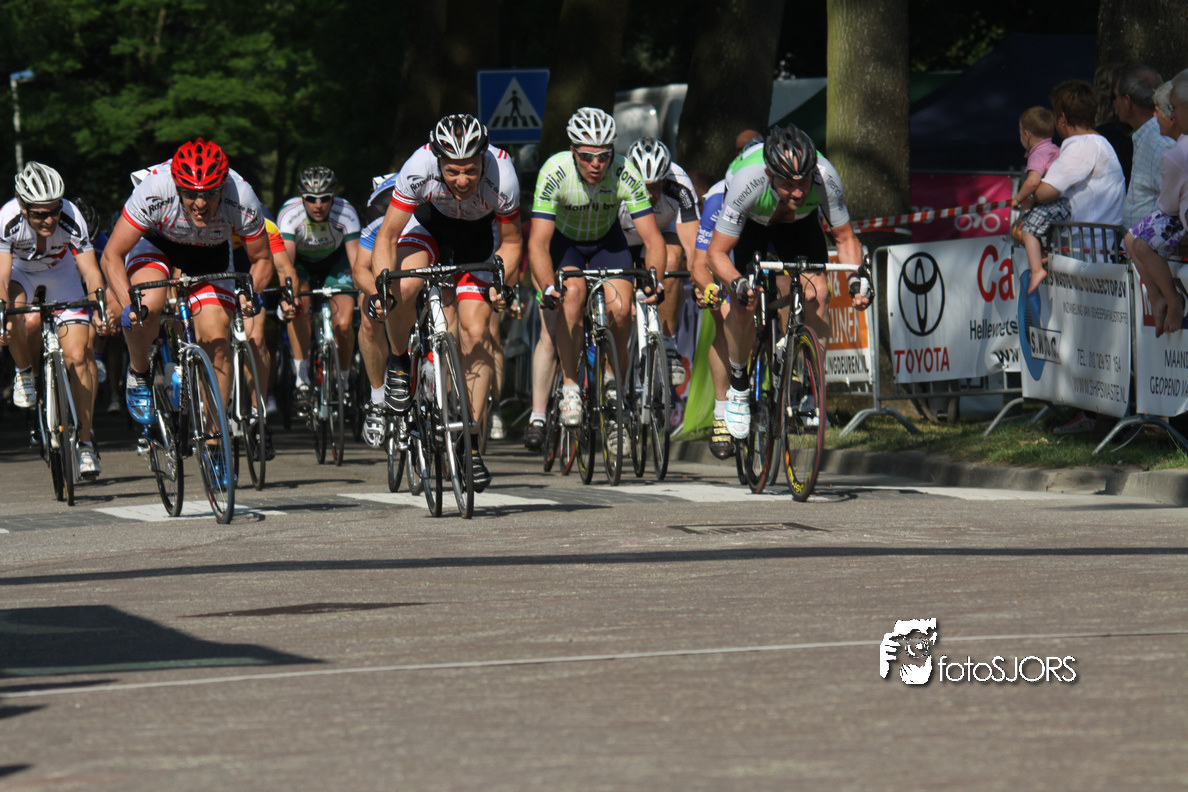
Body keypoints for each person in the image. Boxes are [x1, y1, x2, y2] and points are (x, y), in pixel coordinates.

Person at [100, 138, 275, 482]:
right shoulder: (155, 189)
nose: (200, 203)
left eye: (209, 194)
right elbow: (112, 255)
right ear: (176, 186)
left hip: (208, 254)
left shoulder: (241, 195)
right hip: (156, 245)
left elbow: (262, 258)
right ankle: (139, 373)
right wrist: (127, 303)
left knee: (217, 341)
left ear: (222, 187)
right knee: (148, 307)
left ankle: (214, 442)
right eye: (191, 194)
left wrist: (249, 291)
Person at [370, 114, 521, 491]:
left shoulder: (503, 174)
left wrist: (501, 284)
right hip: (429, 229)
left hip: (478, 241)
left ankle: (470, 443)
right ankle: (399, 363)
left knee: (475, 332)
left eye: (470, 170)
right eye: (452, 171)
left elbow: (512, 242)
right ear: (437, 161)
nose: (462, 180)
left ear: (483, 159)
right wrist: (383, 288)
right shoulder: (418, 166)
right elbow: (387, 236)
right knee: (404, 288)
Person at [704, 124, 870, 440]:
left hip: (798, 225)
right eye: (787, 184)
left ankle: (811, 386)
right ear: (769, 175)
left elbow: (845, 238)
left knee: (819, 294)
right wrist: (738, 284)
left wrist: (856, 280)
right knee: (742, 303)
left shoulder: (825, 176)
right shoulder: (747, 181)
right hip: (752, 224)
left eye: (803, 182)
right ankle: (738, 386)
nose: (797, 192)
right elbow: (716, 253)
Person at [528, 107, 667, 433]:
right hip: (566, 243)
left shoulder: (625, 172)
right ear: (573, 151)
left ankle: (611, 381)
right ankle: (571, 388)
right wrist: (548, 286)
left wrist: (654, 280)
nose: (596, 164)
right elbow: (538, 242)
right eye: (587, 156)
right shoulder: (554, 171)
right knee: (572, 294)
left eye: (604, 156)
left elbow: (653, 239)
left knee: (622, 310)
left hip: (607, 241)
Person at [0, 162, 109, 477]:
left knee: (79, 356)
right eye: (39, 214)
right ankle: (24, 372)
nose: (49, 219)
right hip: (21, 274)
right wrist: (2, 316)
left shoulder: (72, 217)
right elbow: (3, 276)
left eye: (54, 211)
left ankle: (85, 443)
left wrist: (99, 307)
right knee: (20, 317)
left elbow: (90, 271)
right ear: (23, 208)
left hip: (61, 276)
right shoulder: (7, 219)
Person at [1032, 82, 1126, 436]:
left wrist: (1033, 188)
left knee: (1090, 337)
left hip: (1089, 253)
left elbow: (1046, 191)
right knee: (1085, 336)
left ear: (1061, 119)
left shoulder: (1082, 145)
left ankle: (1097, 416)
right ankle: (1089, 411)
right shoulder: (1096, 143)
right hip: (1089, 251)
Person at [276, 167, 361, 413]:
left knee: (344, 324)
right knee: (298, 308)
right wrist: (287, 298)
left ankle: (344, 382)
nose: (318, 204)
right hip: (301, 266)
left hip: (336, 264)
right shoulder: (290, 214)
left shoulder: (346, 212)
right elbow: (287, 266)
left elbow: (356, 263)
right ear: (302, 198)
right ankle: (302, 380)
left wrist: (365, 295)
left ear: (333, 197)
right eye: (311, 199)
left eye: (325, 198)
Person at [618, 137, 700, 386]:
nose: (650, 194)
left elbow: (692, 244)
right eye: (644, 186)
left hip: (662, 233)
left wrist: (699, 279)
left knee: (673, 258)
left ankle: (668, 342)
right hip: (622, 237)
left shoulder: (680, 184)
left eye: (656, 186)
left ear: (665, 179)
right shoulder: (616, 181)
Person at [1124, 71, 1188, 338]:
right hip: (1176, 212)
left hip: (1177, 214)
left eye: (1160, 112)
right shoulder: (1175, 149)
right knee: (1130, 239)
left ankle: (1171, 300)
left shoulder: (1174, 155)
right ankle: (1155, 294)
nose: (1155, 117)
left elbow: (1169, 205)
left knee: (1141, 244)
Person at [352, 172, 397, 448]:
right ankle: (378, 400)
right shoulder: (379, 209)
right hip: (382, 264)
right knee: (369, 317)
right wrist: (376, 295)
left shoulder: (436, 201)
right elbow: (360, 269)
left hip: (425, 249)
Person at [1010, 107, 1068, 294]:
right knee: (1028, 229)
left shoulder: (1037, 154)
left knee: (1026, 231)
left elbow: (1033, 182)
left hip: (1052, 204)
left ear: (1026, 135)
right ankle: (1041, 255)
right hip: (1063, 203)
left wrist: (1017, 199)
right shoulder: (1055, 149)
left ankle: (1036, 270)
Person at [1116, 65, 1174, 230]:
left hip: (1153, 244)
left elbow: (1175, 203)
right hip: (1139, 242)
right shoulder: (1149, 136)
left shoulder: (1160, 141)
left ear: (1127, 101)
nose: (1114, 103)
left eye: (1116, 97)